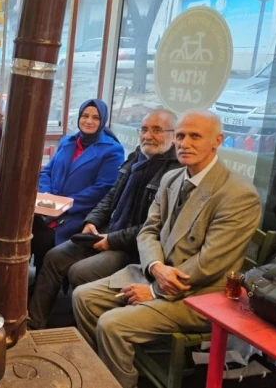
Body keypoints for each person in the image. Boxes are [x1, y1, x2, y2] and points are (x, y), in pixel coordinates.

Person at [72, 110, 261, 388]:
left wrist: (153, 291)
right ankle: (108, 373)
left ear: (217, 141)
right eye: (181, 135)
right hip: (155, 274)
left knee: (112, 325)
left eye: (195, 136)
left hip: (200, 294)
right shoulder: (172, 178)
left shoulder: (238, 194)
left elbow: (209, 264)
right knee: (83, 296)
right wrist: (155, 267)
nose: (185, 143)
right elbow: (149, 230)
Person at [28, 109, 180, 330]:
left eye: (157, 130)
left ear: (174, 135)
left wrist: (112, 240)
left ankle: (78, 329)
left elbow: (154, 228)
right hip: (106, 230)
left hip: (133, 248)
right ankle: (33, 324)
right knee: (54, 256)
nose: (148, 136)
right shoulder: (136, 157)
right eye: (144, 129)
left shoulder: (174, 172)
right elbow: (110, 196)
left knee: (80, 271)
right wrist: (92, 221)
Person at [32, 98, 124, 277]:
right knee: (22, 232)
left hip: (78, 214)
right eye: (85, 116)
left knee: (46, 239)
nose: (89, 121)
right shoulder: (68, 141)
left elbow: (103, 189)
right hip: (49, 207)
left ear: (103, 121)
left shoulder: (112, 150)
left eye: (96, 118)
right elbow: (47, 171)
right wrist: (46, 195)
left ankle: (42, 285)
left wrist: (63, 204)